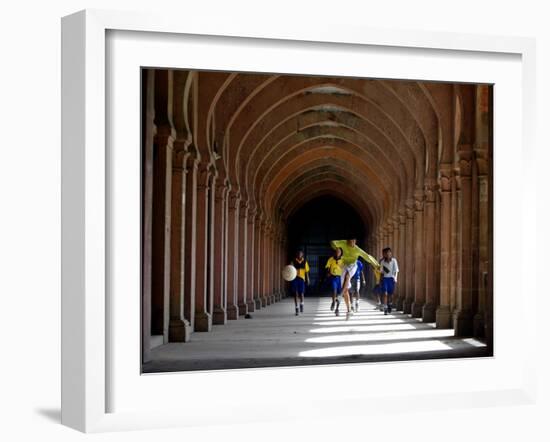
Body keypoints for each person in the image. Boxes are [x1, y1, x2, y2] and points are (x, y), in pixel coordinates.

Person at [330, 238, 379, 320]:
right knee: (345, 289)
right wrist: (335, 246)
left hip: (353, 265)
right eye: (350, 241)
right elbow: (333, 242)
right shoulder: (343, 243)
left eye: (353, 241)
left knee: (348, 276)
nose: (352, 243)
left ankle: (340, 295)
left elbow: (367, 257)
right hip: (344, 265)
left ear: (355, 241)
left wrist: (376, 265)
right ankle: (349, 310)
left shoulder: (357, 250)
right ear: (347, 241)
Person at [325, 247, 344, 315]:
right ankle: (333, 302)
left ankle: (337, 309)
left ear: (341, 252)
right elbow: (327, 266)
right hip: (333, 277)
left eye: (339, 251)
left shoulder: (343, 260)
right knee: (334, 290)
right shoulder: (331, 259)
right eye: (336, 251)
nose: (337, 252)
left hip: (340, 278)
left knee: (340, 294)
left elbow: (345, 268)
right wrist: (328, 272)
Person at [380, 247, 399, 315]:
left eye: (389, 252)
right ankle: (385, 307)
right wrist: (380, 281)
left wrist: (395, 278)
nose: (387, 254)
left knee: (390, 294)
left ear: (391, 253)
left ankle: (390, 304)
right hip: (385, 279)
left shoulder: (394, 261)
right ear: (384, 254)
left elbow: (396, 270)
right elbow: (381, 272)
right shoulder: (382, 262)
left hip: (391, 279)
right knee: (385, 293)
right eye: (386, 253)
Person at [290, 250, 310, 316]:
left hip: (302, 279)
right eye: (298, 253)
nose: (299, 254)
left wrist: (308, 279)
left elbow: (306, 271)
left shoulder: (305, 262)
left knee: (301, 293)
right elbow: (290, 269)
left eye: (300, 253)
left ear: (302, 254)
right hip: (295, 278)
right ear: (297, 254)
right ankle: (296, 308)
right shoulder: (293, 261)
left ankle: (301, 304)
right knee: (295, 293)